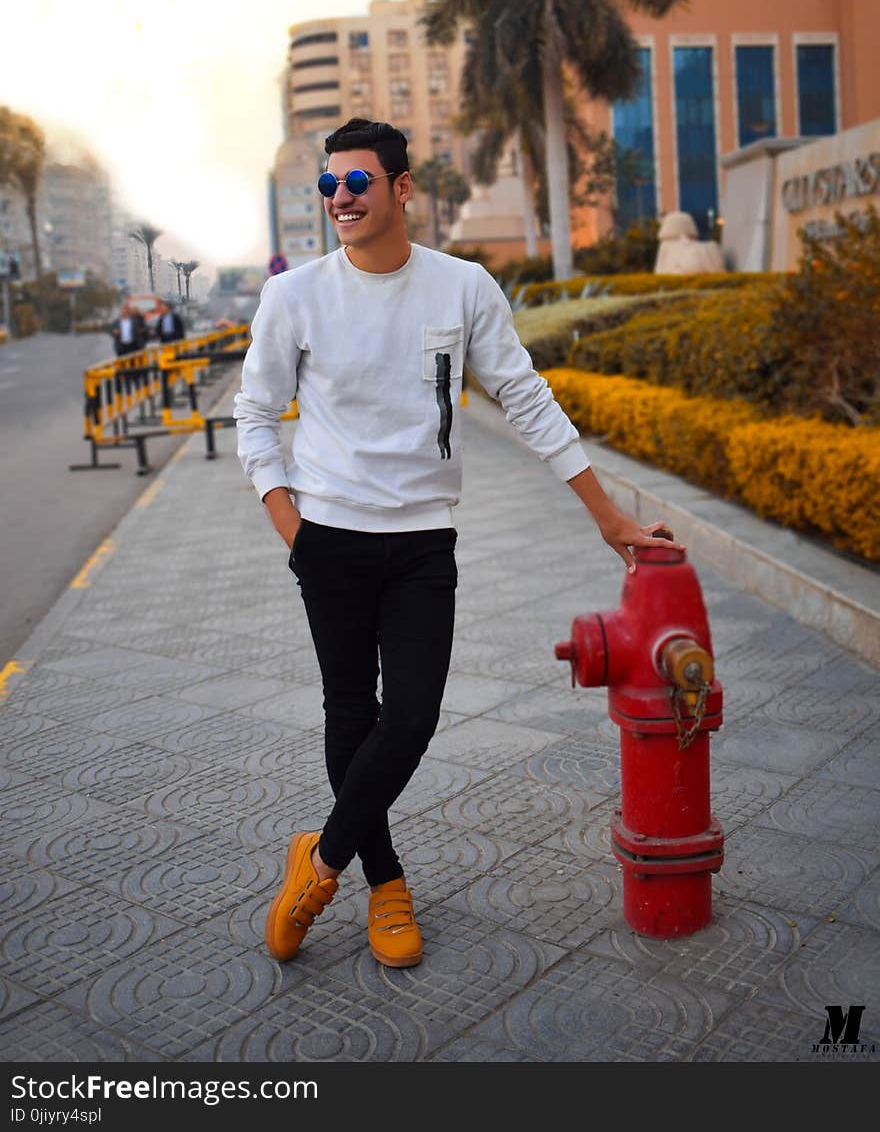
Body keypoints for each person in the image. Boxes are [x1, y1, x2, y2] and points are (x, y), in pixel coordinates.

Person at [233, 118, 684, 969]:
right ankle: (385, 883)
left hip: (421, 543)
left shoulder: (463, 287)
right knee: (349, 714)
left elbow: (526, 396)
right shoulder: (295, 296)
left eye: (358, 183)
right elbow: (254, 414)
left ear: (403, 189)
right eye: (329, 186)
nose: (340, 199)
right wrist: (290, 525)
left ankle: (318, 863)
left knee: (409, 720)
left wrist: (608, 515)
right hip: (328, 537)